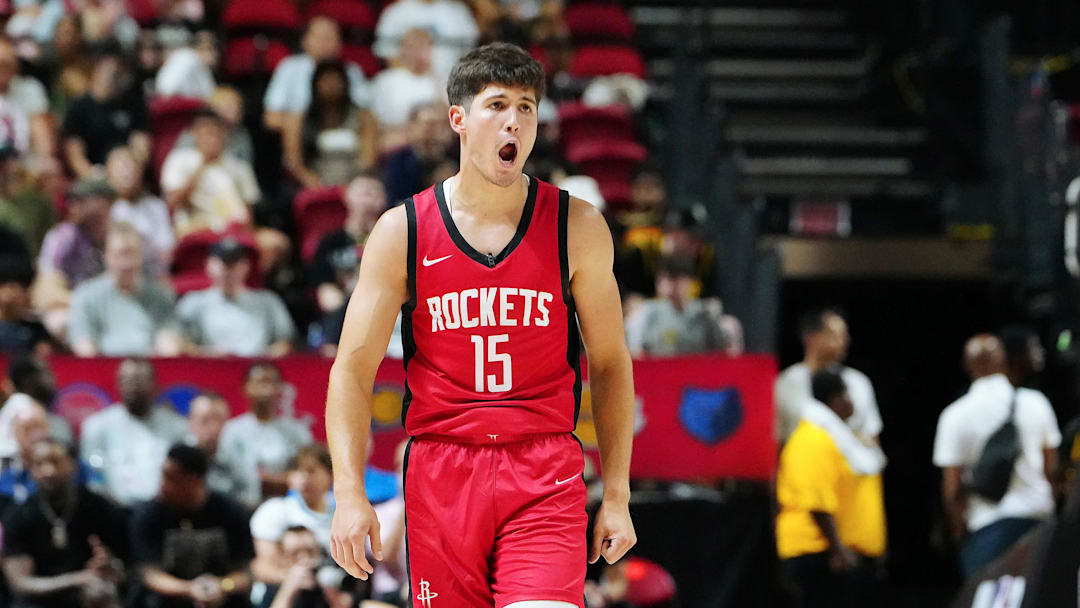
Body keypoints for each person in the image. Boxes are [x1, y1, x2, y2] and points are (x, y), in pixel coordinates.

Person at [325, 43, 637, 605]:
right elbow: (351, 370)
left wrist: (616, 492)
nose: (514, 119)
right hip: (442, 469)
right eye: (497, 104)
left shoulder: (578, 226)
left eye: (526, 107)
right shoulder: (404, 231)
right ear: (459, 120)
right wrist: (349, 491)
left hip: (543, 466)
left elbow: (611, 362)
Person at [933, 334, 1062, 576]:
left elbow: (951, 489)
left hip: (986, 527)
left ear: (966, 366)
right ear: (1003, 361)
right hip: (1038, 521)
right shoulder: (1036, 403)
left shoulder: (954, 415)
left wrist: (959, 533)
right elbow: (1052, 471)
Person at [776, 367, 886, 608]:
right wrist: (837, 550)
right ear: (834, 399)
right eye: (847, 394)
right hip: (819, 554)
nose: (852, 401)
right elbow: (816, 501)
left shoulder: (840, 436)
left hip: (835, 555)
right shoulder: (813, 438)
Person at [1, 437, 127, 608]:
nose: (48, 470)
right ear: (30, 470)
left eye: (56, 461)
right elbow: (20, 584)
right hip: (39, 600)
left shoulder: (98, 506)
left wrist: (110, 566)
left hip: (86, 595)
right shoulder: (18, 514)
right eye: (39, 463)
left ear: (73, 465)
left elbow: (127, 566)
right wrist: (77, 579)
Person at [130, 444, 254, 608]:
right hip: (167, 600)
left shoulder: (230, 511)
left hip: (221, 599)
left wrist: (222, 586)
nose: (162, 485)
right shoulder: (148, 513)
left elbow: (245, 574)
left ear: (193, 480)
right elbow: (149, 574)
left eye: (170, 478)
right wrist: (189, 589)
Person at [80, 358, 188, 506]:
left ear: (155, 385)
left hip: (163, 508)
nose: (131, 387)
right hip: (111, 509)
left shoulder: (177, 426)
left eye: (138, 380)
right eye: (125, 380)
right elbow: (93, 475)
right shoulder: (98, 426)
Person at [67, 222, 181, 357]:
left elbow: (169, 346)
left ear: (141, 255)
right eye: (119, 254)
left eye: (132, 253)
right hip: (103, 370)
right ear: (106, 256)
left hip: (150, 371)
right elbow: (84, 348)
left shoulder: (161, 296)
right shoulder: (85, 296)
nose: (126, 263)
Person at [774, 308, 883, 445]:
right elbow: (778, 438)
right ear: (811, 338)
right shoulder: (786, 383)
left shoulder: (858, 382)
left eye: (845, 335)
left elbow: (871, 436)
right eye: (836, 335)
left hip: (848, 464)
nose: (844, 341)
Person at [175, 238, 296, 357]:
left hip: (256, 369)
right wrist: (208, 354)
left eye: (234, 263)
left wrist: (261, 359)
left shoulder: (268, 301)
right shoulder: (193, 302)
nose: (228, 270)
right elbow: (179, 343)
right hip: (208, 369)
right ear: (209, 264)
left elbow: (285, 343)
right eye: (223, 263)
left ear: (246, 265)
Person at [33, 178, 113, 338]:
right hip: (74, 308)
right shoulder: (63, 237)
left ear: (106, 203)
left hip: (116, 308)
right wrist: (88, 305)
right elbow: (46, 292)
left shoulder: (121, 236)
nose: (72, 206)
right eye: (72, 201)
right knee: (59, 322)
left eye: (81, 201)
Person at [218, 362, 311, 499]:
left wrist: (280, 481)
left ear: (281, 388)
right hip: (242, 503)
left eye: (270, 382)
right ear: (245, 387)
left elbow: (307, 471)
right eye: (258, 382)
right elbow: (226, 473)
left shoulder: (297, 431)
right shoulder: (232, 430)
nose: (265, 388)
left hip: (289, 502)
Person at [263, 17, 372, 132]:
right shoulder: (289, 67)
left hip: (346, 136)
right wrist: (305, 128)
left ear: (340, 43)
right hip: (304, 137)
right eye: (319, 37)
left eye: (330, 37)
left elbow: (365, 113)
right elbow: (271, 118)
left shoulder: (351, 71)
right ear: (305, 41)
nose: (324, 43)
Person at [282, 60, 377, 188]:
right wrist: (312, 182)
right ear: (315, 85)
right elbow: (294, 162)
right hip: (314, 183)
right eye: (326, 81)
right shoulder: (300, 120)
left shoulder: (363, 116)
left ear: (345, 84)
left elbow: (368, 158)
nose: (331, 86)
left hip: (356, 182)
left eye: (336, 81)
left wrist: (352, 184)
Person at [250, 445, 335, 589]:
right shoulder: (275, 510)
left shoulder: (340, 514)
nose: (304, 477)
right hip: (282, 590)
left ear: (330, 475)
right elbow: (263, 566)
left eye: (311, 470)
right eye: (297, 471)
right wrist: (301, 579)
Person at [61, 49, 151, 179]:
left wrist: (132, 173)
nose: (115, 76)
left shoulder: (133, 104)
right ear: (96, 69)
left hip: (127, 171)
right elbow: (75, 154)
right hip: (95, 174)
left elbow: (141, 145)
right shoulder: (79, 107)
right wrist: (93, 176)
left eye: (119, 71)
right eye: (110, 70)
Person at [310, 172, 387, 316]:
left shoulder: (393, 241)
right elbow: (326, 295)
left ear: (383, 199)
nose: (366, 199)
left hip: (386, 312)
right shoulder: (329, 243)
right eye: (362, 192)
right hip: (344, 315)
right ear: (347, 196)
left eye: (373, 192)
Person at [623, 255, 726, 357]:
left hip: (697, 370)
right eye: (664, 278)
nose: (669, 285)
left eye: (676, 278)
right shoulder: (647, 312)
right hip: (659, 370)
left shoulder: (703, 314)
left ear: (690, 280)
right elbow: (636, 350)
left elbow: (720, 352)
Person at [0, 401, 100, 505]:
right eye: (27, 429)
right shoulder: (9, 476)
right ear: (15, 433)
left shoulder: (72, 467)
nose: (35, 434)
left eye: (39, 426)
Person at [371, 28, 444, 150]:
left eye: (423, 46)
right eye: (412, 47)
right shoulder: (386, 80)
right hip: (397, 137)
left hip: (434, 140)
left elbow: (447, 117)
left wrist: (434, 75)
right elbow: (375, 120)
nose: (418, 52)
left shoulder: (441, 81)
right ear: (402, 50)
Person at [106, 145, 174, 278]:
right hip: (117, 273)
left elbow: (166, 250)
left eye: (130, 167)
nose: (126, 174)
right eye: (120, 169)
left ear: (140, 172)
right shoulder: (107, 210)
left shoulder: (156, 206)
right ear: (109, 174)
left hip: (152, 273)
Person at [187, 391, 260, 509]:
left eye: (218, 420)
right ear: (191, 421)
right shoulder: (177, 458)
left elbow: (252, 497)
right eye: (205, 420)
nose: (213, 427)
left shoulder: (238, 455)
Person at [373, 0, 479, 81]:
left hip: (449, 81)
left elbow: (470, 56)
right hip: (406, 81)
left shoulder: (458, 12)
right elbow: (388, 58)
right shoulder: (396, 11)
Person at [259, 525, 354, 608]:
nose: (304, 559)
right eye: (294, 553)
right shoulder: (275, 588)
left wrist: (331, 595)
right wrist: (288, 590)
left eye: (310, 551)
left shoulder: (336, 581)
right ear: (284, 557)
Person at [381, 101, 454, 204]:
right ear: (412, 127)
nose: (438, 131)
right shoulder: (399, 161)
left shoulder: (456, 157)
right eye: (430, 125)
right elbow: (397, 202)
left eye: (443, 124)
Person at [0, 36, 54, 162]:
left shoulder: (30, 89)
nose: (3, 70)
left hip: (23, 165)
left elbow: (41, 133)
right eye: (1, 64)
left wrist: (45, 161)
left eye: (8, 64)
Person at [0, 256, 51, 356]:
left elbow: (46, 357)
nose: (13, 292)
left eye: (21, 287)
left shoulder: (36, 329)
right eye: (7, 285)